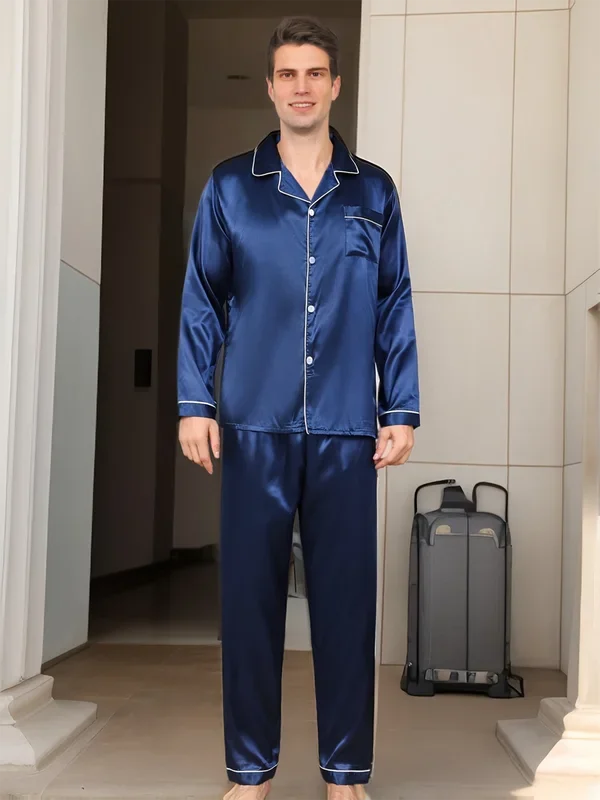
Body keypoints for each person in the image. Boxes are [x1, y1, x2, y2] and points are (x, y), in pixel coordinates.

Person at [177, 16, 420, 800]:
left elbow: (393, 303)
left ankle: (345, 774)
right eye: (288, 74)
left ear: (335, 84)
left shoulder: (373, 191)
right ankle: (249, 773)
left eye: (315, 72)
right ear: (272, 86)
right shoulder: (230, 188)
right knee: (249, 605)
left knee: (346, 607)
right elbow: (202, 300)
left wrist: (401, 408)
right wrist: (194, 403)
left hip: (347, 429)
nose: (302, 87)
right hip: (253, 426)